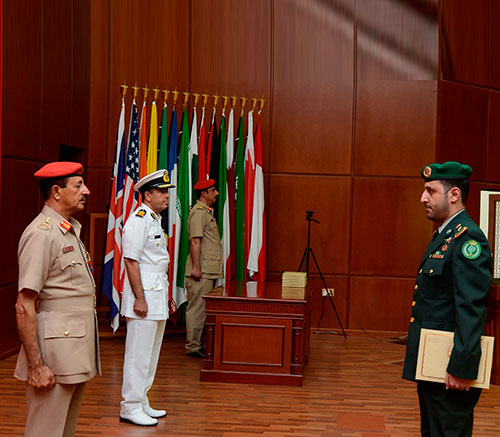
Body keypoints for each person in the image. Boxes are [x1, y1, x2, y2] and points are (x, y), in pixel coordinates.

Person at [402, 161, 492, 436]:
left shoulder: (468, 239)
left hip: (451, 373)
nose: (423, 198)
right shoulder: (444, 236)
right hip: (434, 367)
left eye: (430, 191)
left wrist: (461, 367)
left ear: (454, 195)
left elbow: (471, 307)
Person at [14, 161, 100, 437]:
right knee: (44, 431)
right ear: (56, 191)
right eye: (78, 186)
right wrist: (36, 365)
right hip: (55, 352)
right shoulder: (42, 234)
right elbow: (24, 304)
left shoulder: (68, 229)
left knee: (64, 431)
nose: (86, 190)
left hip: (73, 347)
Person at [119, 169, 174, 426]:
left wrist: (162, 297)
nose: (166, 196)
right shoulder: (138, 220)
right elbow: (130, 261)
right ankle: (129, 405)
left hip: (156, 293)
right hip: (144, 296)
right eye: (161, 191)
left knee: (151, 353)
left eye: (166, 191)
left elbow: (156, 262)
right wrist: (140, 298)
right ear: (147, 195)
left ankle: (141, 400)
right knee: (137, 354)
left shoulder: (153, 219)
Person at [185, 179, 223, 358]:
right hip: (201, 270)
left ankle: (200, 344)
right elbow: (195, 241)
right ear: (203, 194)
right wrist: (196, 268)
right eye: (213, 190)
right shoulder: (199, 213)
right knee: (197, 309)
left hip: (209, 268)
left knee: (204, 309)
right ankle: (193, 347)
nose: (216, 193)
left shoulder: (207, 212)